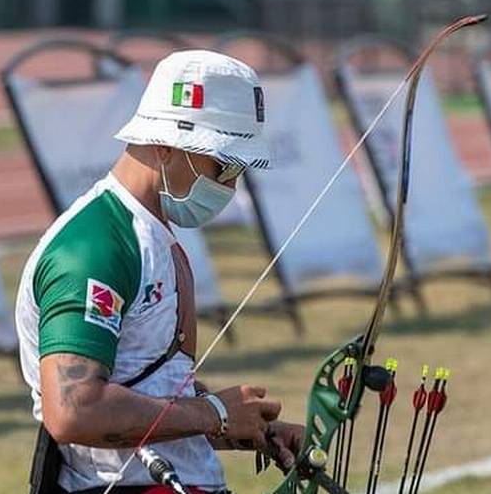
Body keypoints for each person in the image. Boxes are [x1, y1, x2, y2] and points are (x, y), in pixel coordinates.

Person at [17, 50, 303, 493]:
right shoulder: (95, 247)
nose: (230, 185)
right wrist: (215, 413)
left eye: (238, 169)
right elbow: (73, 409)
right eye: (222, 165)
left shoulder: (151, 235)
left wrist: (239, 426)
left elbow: (148, 382)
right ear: (166, 144)